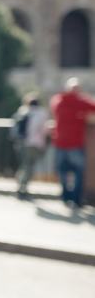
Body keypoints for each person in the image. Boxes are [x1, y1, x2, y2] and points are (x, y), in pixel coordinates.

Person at [50, 77, 95, 208]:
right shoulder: (81, 101)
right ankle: (75, 199)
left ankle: (66, 197)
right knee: (78, 172)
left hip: (61, 142)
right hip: (74, 144)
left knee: (63, 171)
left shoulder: (58, 100)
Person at [12, 93, 49, 200]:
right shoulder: (41, 113)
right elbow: (43, 130)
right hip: (34, 144)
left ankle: (21, 186)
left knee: (24, 165)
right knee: (29, 167)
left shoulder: (22, 111)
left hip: (21, 143)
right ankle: (22, 188)